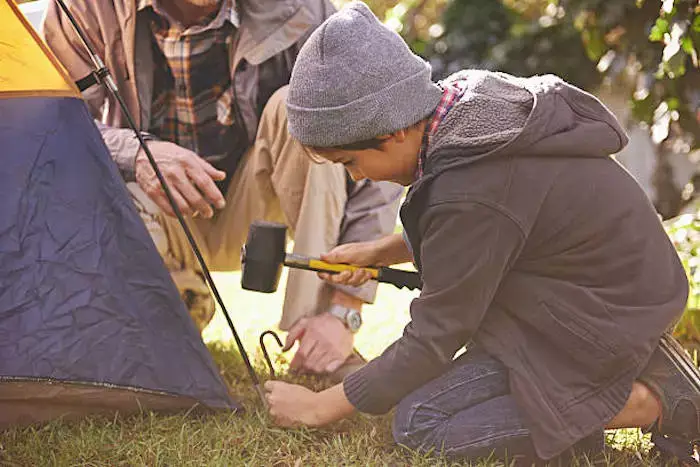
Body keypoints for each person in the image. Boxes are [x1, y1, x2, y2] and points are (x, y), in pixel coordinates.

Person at [263, 2, 700, 463]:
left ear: (389, 130)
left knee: (423, 428)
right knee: (421, 413)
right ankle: (621, 384)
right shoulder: (464, 115)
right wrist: (380, 251)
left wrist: (317, 407)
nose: (355, 178)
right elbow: (494, 230)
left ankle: (655, 399)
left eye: (350, 162)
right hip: (576, 307)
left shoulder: (473, 186)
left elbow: (433, 338)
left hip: (593, 322)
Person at [41, 0, 403, 379]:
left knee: (299, 110)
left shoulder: (305, 8)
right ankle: (181, 299)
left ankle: (317, 342)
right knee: (142, 353)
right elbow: (52, 121)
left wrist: (345, 312)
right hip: (156, 211)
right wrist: (137, 153)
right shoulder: (83, 7)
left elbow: (378, 138)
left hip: (260, 205)